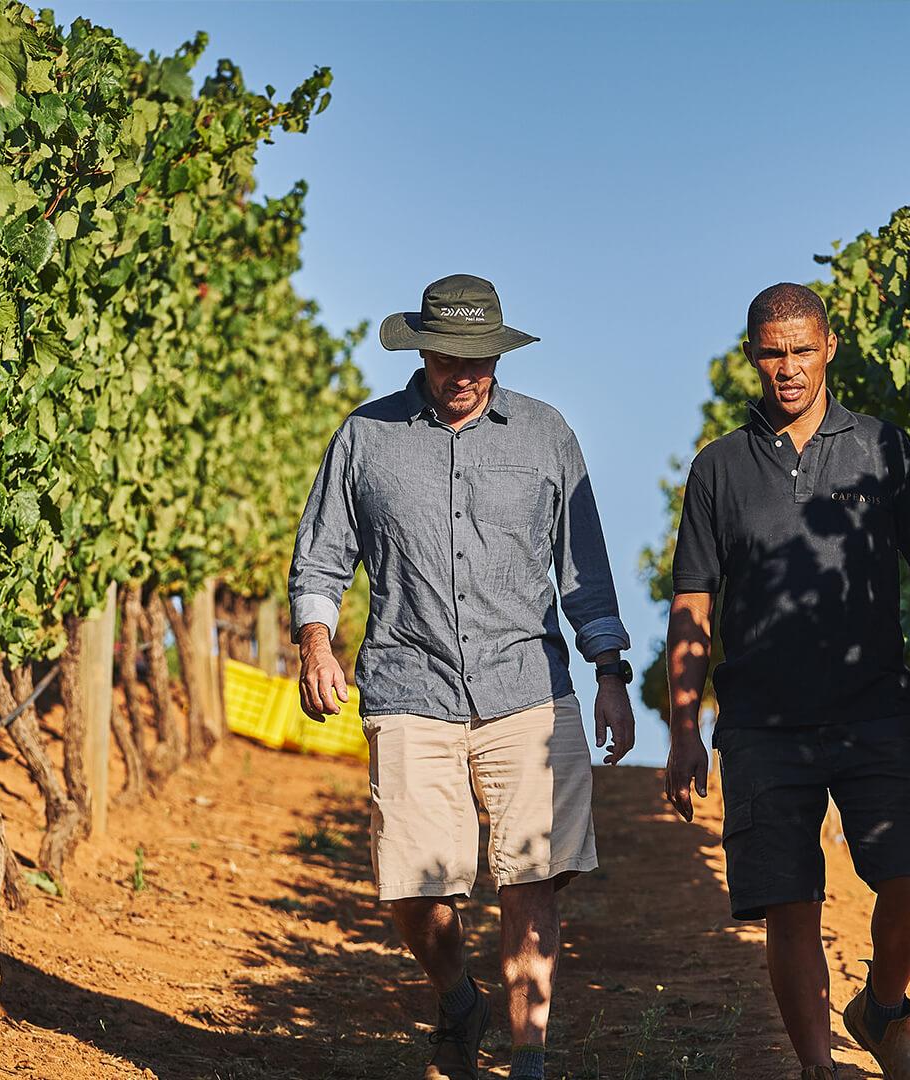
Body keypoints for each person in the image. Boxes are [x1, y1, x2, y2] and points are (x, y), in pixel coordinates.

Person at [290, 274, 637, 1080]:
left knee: (533, 876)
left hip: (528, 689)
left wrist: (610, 670)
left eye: (480, 357)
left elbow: (585, 570)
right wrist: (316, 641)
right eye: (449, 356)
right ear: (423, 351)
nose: (465, 373)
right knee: (414, 886)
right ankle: (455, 993)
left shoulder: (547, 436)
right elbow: (321, 557)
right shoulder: (366, 438)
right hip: (411, 684)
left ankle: (528, 1055)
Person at [662, 283, 910, 1080]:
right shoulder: (717, 470)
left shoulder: (883, 450)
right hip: (761, 723)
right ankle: (819, 1065)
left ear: (830, 348)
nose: (787, 368)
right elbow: (692, 604)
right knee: (791, 902)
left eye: (802, 350)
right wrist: (685, 728)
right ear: (752, 355)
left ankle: (882, 1008)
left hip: (873, 711)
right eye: (772, 352)